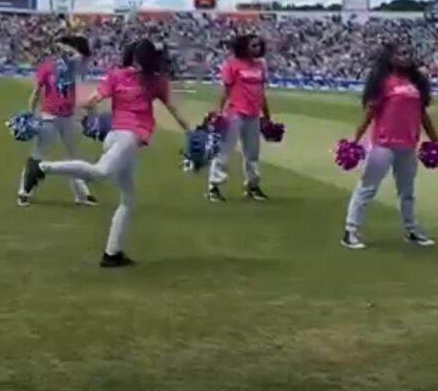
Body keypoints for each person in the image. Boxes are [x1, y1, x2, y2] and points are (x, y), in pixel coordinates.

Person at [22, 39, 191, 267]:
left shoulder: (119, 76)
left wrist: (88, 112)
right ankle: (42, 168)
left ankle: (112, 254)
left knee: (129, 199)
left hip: (119, 138)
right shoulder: (153, 81)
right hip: (127, 138)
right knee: (101, 173)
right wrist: (191, 132)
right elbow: (174, 110)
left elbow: (94, 100)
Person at [341, 43, 438, 250]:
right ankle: (350, 231)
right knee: (368, 188)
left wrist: (436, 140)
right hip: (383, 145)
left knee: (407, 191)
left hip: (408, 144)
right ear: (390, 58)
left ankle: (412, 229)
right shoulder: (383, 83)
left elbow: (423, 115)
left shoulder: (416, 83)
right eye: (401, 53)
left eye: (408, 52)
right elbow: (369, 114)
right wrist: (355, 141)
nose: (406, 56)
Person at [17, 34, 97, 208]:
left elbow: (86, 52)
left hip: (69, 117)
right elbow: (36, 92)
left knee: (74, 157)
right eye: (60, 47)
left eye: (66, 47)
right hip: (49, 117)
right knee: (38, 155)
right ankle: (25, 191)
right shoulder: (47, 67)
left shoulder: (75, 64)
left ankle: (82, 194)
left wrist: (70, 41)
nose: (63, 50)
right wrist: (31, 114)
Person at [207, 34, 271, 203]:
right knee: (225, 150)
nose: (257, 49)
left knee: (253, 153)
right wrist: (218, 111)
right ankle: (215, 186)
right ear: (244, 47)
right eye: (253, 46)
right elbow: (226, 91)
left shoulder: (260, 66)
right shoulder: (232, 65)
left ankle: (252, 185)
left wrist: (267, 114)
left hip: (253, 114)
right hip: (235, 113)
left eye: (259, 45)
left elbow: (261, 92)